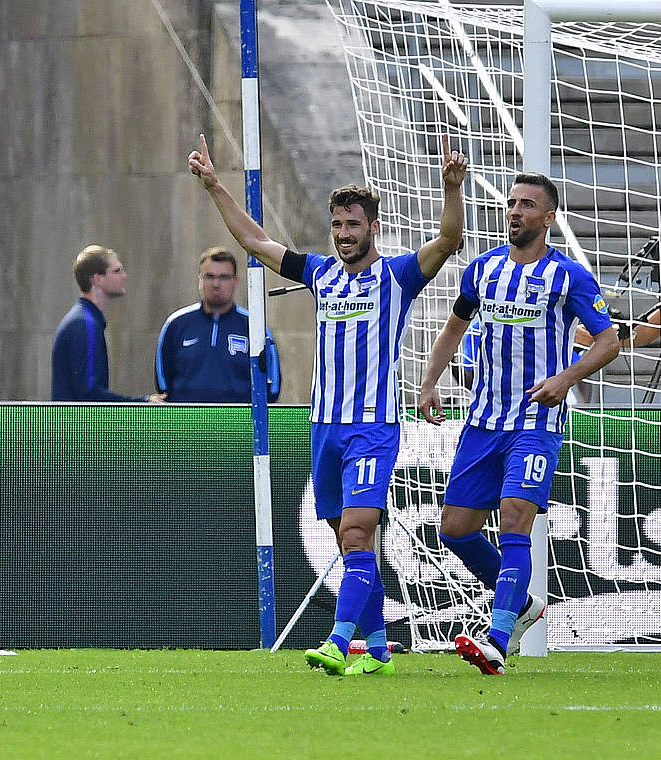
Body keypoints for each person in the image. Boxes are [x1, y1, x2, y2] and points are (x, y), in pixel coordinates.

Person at [189, 133, 468, 676]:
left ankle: (340, 642)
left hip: (373, 427)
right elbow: (256, 242)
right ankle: (381, 652)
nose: (343, 234)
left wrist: (451, 188)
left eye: (353, 225)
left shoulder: (397, 276)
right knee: (350, 541)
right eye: (337, 224)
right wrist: (215, 186)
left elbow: (448, 239)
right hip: (324, 428)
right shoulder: (319, 274)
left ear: (373, 228)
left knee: (359, 532)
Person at [418, 173, 619, 675]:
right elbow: (454, 327)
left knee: (514, 517)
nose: (515, 211)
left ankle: (498, 636)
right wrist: (428, 383)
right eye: (511, 203)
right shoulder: (482, 270)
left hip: (536, 420)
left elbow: (608, 341)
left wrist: (565, 380)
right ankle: (522, 602)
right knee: (456, 529)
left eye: (527, 205)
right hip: (482, 421)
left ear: (548, 218)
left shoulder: (568, 275)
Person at [155, 246, 281, 403]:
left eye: (224, 277)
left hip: (237, 423)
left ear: (235, 281)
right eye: (209, 276)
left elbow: (272, 382)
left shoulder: (254, 327)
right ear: (199, 279)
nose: (216, 284)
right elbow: (163, 380)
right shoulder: (176, 324)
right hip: (187, 420)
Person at [51, 244, 155, 401]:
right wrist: (143, 403)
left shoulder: (84, 321)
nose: (124, 276)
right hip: (76, 425)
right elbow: (89, 395)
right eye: (117, 271)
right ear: (97, 279)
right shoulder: (85, 325)